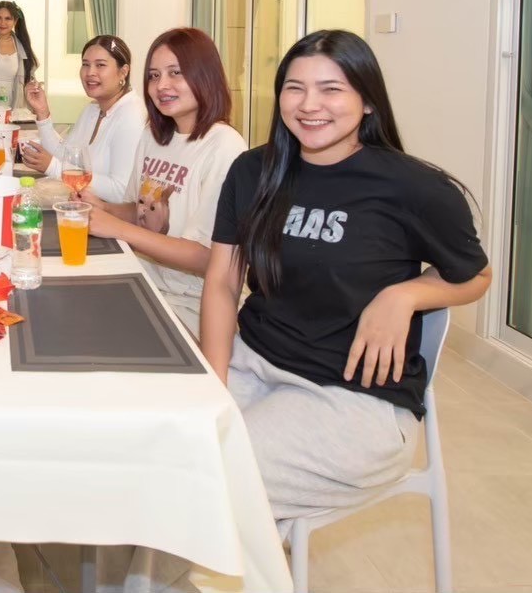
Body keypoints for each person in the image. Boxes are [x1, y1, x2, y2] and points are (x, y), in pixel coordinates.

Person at [201, 29, 491, 533]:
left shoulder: (414, 187)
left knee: (203, 483)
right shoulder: (252, 171)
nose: (309, 104)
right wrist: (214, 385)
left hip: (353, 398)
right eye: (294, 88)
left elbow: (476, 275)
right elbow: (223, 282)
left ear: (368, 100)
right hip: (255, 361)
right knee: (167, 458)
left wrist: (407, 294)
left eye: (331, 89)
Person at [80, 27, 245, 333]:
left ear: (205, 75)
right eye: (154, 76)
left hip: (190, 303)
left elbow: (208, 257)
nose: (161, 85)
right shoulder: (154, 135)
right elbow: (138, 210)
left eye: (175, 73)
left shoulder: (224, 145)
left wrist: (117, 227)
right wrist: (104, 208)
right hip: (139, 279)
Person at [19, 34, 145, 203]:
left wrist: (53, 167)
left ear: (123, 72)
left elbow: (121, 191)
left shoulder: (132, 116)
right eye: (85, 64)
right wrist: (42, 112)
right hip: (82, 208)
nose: (90, 72)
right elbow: (65, 155)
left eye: (100, 65)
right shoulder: (93, 109)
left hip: (106, 216)